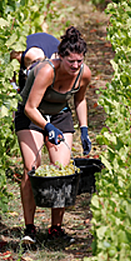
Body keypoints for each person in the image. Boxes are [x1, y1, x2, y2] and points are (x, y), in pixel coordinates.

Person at [15, 26, 92, 244]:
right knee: (32, 169)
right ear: (60, 57)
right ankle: (29, 228)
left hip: (59, 116)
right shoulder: (47, 70)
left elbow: (79, 100)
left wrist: (84, 128)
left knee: (62, 173)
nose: (76, 66)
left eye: (79, 61)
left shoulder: (83, 73)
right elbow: (30, 107)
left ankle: (55, 228)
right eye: (71, 62)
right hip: (31, 116)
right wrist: (47, 128)